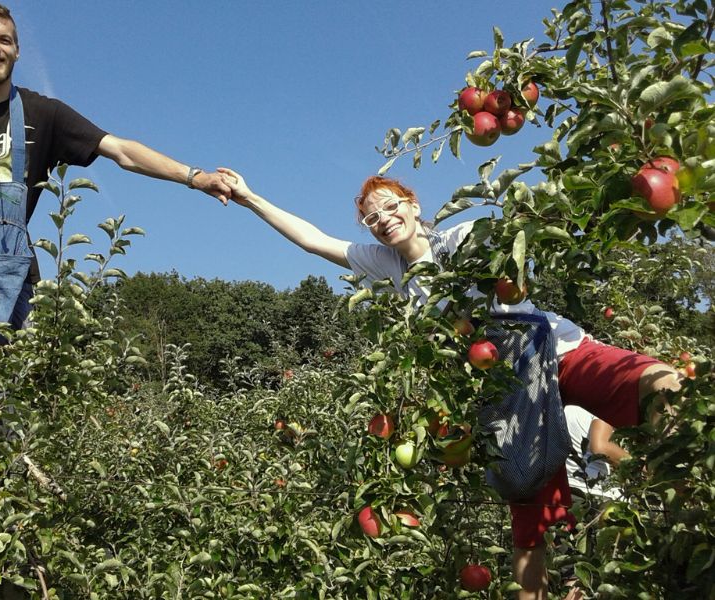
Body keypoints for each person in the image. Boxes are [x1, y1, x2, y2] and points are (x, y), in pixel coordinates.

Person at [217, 167, 681, 600]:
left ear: (414, 206)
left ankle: (689, 481)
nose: (382, 219)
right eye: (371, 217)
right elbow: (313, 241)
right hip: (505, 394)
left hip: (553, 352)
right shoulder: (387, 267)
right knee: (531, 529)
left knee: (661, 381)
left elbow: (518, 254)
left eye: (391, 206)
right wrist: (250, 196)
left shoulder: (462, 239)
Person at [0, 2, 232, 376]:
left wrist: (195, 177)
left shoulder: (45, 114)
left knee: (7, 394)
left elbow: (123, 151)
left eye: (4, 39)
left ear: (16, 50)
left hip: (9, 263)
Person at [563, 405, 626, 500]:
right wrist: (642, 465)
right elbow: (601, 447)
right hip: (594, 492)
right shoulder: (603, 408)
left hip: (566, 488)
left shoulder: (566, 407)